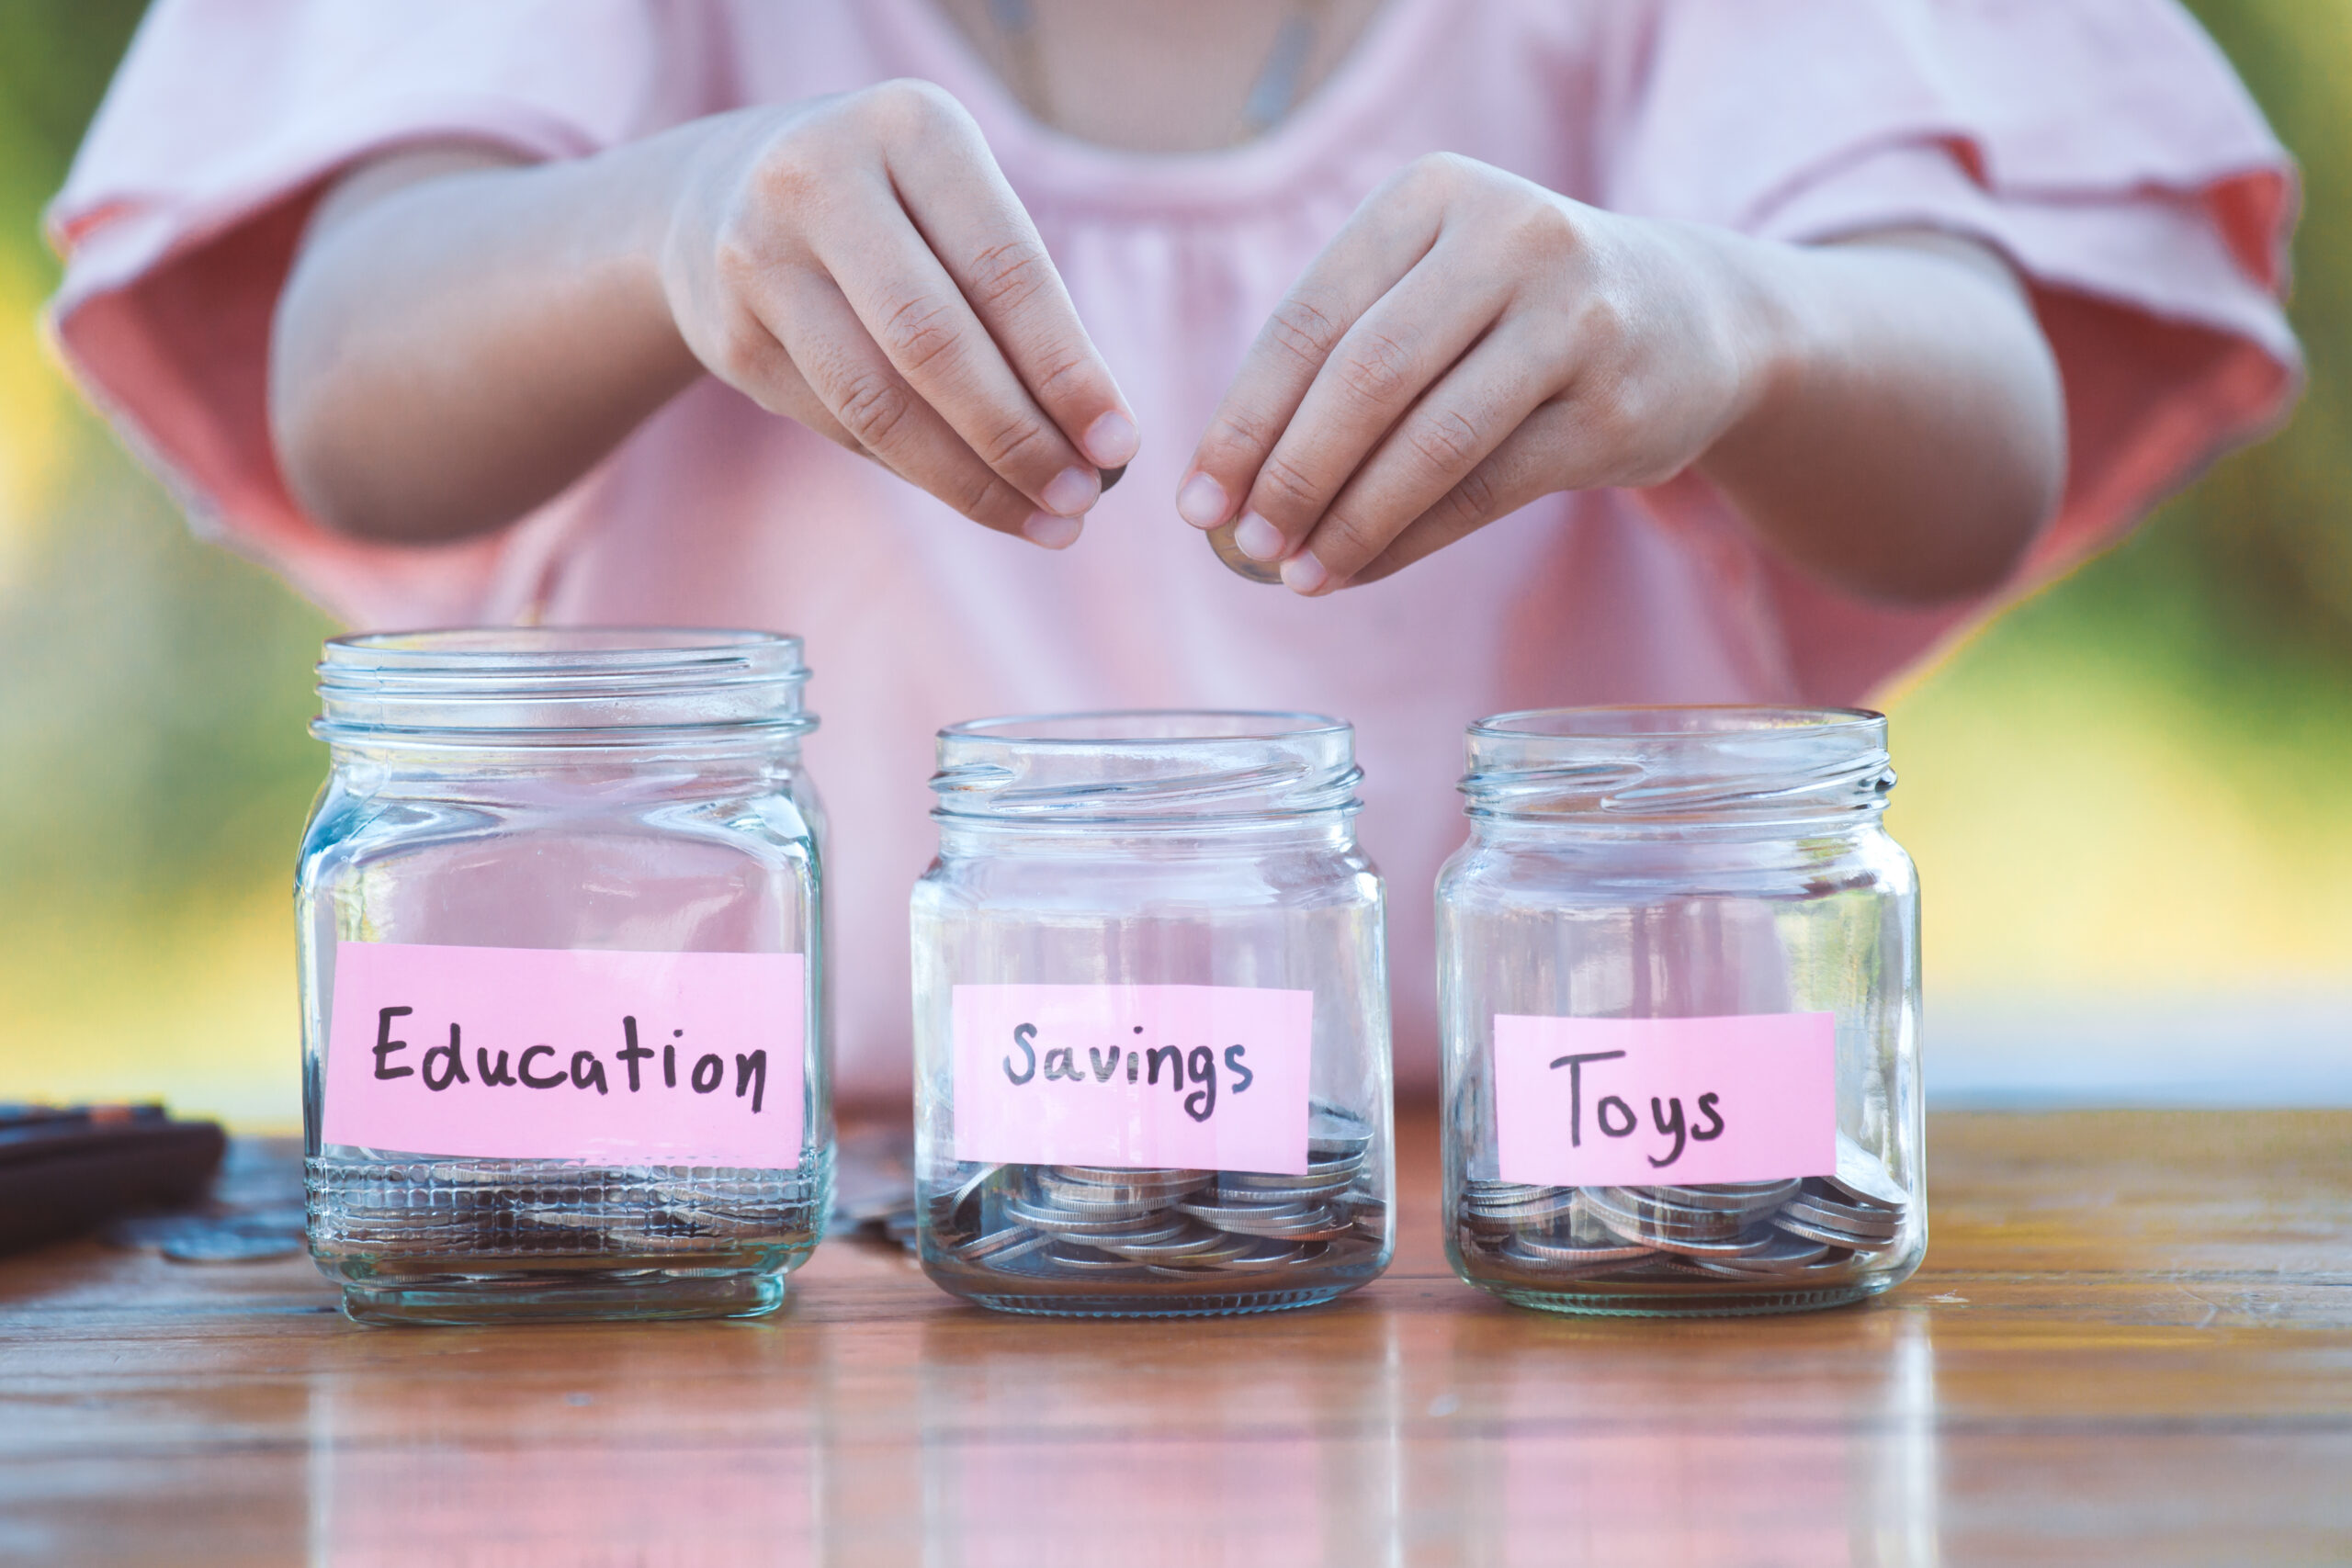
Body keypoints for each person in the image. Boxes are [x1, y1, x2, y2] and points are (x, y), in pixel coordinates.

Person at [47, 0, 2300, 1101]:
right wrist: (660, 223)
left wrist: (1733, 318)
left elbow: (1976, 440)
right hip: (723, 1207)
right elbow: (348, 381)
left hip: (1537, 1208)